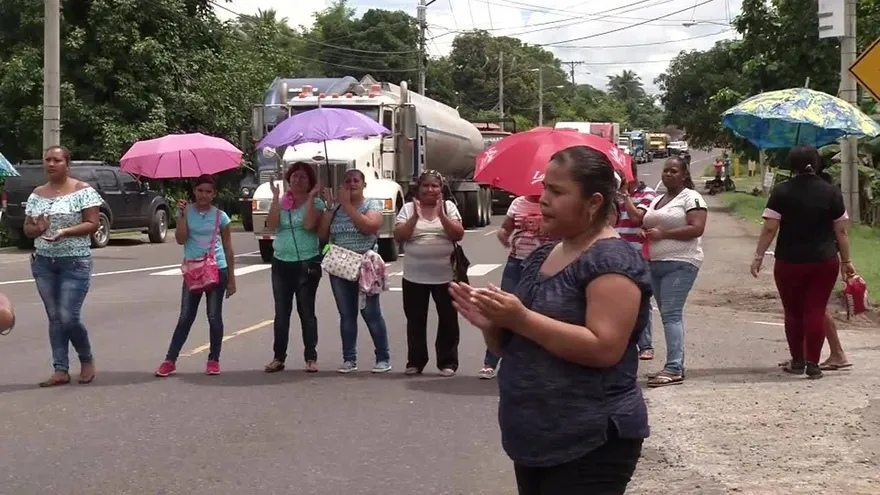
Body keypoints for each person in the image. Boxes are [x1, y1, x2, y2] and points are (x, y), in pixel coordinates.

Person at [450, 145, 651, 494]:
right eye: (544, 188)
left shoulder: (612, 261)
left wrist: (521, 318)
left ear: (593, 202)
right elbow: (511, 344)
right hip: (535, 438)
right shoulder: (544, 253)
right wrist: (493, 324)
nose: (543, 200)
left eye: (557, 192)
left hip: (590, 441)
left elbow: (605, 348)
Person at [751, 145, 854, 379]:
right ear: (816, 164)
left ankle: (797, 361)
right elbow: (842, 232)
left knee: (793, 312)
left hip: (789, 261)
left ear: (792, 165)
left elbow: (769, 227)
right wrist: (847, 261)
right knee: (816, 311)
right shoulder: (831, 192)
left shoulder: (781, 191)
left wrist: (758, 256)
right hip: (824, 260)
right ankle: (813, 364)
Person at [24, 145, 103, 387]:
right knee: (55, 318)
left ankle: (86, 359)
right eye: (47, 159)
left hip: (75, 261)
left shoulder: (83, 190)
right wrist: (36, 229)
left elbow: (93, 223)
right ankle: (60, 369)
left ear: (67, 164)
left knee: (69, 316)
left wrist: (65, 232)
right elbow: (28, 229)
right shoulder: (37, 194)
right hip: (44, 262)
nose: (50, 164)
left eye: (56, 160)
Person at [155, 174, 236, 377]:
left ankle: (213, 359)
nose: (204, 195)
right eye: (200, 190)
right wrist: (181, 216)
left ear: (214, 194)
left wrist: (232, 280)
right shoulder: (185, 211)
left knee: (214, 316)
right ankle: (170, 360)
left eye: (208, 191)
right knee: (185, 317)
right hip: (193, 271)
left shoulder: (221, 216)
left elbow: (228, 247)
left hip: (217, 269)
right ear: (194, 191)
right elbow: (181, 240)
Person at [641, 156, 707, 387]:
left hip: (681, 261)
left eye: (674, 171)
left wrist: (664, 234)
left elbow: (697, 228)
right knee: (666, 313)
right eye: (666, 170)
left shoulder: (692, 197)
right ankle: (674, 364)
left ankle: (674, 367)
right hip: (657, 262)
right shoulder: (658, 199)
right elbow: (648, 222)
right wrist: (646, 233)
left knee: (671, 314)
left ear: (684, 175)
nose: (668, 174)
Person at [318, 169, 392, 374]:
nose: (352, 184)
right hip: (340, 268)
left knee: (371, 313)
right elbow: (322, 235)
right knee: (346, 314)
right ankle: (349, 358)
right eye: (348, 180)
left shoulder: (371, 205)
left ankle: (383, 357)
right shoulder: (337, 208)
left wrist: (349, 206)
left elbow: (370, 226)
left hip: (365, 267)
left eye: (356, 180)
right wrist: (331, 210)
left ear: (363, 184)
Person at [394, 170, 465, 377]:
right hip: (414, 276)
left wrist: (442, 215)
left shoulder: (449, 207)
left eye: (434, 186)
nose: (430, 190)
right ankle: (415, 361)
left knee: (448, 320)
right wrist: (415, 217)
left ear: (441, 189)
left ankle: (447, 362)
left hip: (445, 276)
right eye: (426, 186)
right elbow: (400, 235)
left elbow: (458, 234)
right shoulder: (408, 209)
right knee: (415, 320)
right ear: (419, 189)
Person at [480, 194, 554, 379]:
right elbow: (505, 229)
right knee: (501, 309)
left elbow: (563, 233)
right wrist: (504, 237)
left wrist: (545, 226)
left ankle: (537, 364)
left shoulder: (552, 203)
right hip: (516, 263)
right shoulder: (518, 203)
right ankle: (490, 363)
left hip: (543, 264)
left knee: (539, 313)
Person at [264, 163, 325, 373]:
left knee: (306, 311)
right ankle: (278, 357)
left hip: (306, 263)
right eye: (294, 177)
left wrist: (310, 199)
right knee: (281, 313)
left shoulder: (315, 203)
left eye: (303, 177)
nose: (298, 180)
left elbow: (309, 225)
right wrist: (275, 199)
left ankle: (311, 357)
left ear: (310, 183)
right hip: (281, 262)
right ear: (288, 180)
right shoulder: (282, 203)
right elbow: (271, 225)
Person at [615, 162, 657, 360]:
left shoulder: (648, 194)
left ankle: (645, 344)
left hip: (638, 255)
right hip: (614, 254)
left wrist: (625, 196)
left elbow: (636, 218)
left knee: (641, 301)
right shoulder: (612, 194)